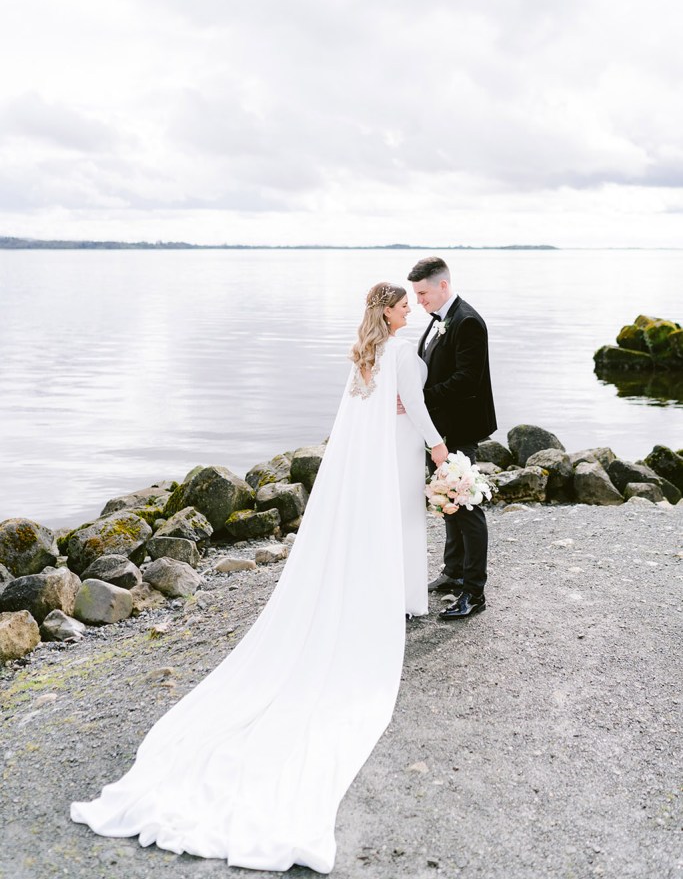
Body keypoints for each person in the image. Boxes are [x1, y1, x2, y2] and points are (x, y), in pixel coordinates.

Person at [70, 282, 447, 874]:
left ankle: (387, 591)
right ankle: (398, 597)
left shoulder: (366, 353)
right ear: (390, 311)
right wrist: (440, 448)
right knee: (399, 523)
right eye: (403, 305)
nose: (409, 311)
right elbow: (416, 408)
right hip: (397, 452)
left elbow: (358, 417)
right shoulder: (399, 350)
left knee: (388, 525)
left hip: (374, 457)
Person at [408, 257, 497, 620]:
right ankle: (452, 571)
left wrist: (419, 399)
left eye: (422, 293)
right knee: (448, 503)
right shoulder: (440, 320)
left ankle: (474, 592)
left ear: (442, 285)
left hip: (460, 429)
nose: (418, 301)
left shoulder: (468, 321)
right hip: (442, 429)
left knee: (465, 504)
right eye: (415, 294)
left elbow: (466, 380)